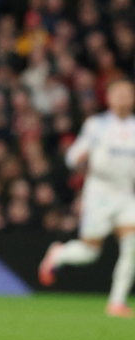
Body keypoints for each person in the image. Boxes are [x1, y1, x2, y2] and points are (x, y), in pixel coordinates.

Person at [38, 80, 135, 317]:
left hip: (127, 194)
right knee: (90, 253)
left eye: (127, 93)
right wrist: (79, 156)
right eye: (118, 93)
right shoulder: (97, 125)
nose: (123, 98)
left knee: (132, 246)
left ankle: (117, 302)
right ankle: (58, 254)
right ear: (109, 98)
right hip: (100, 193)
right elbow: (72, 157)